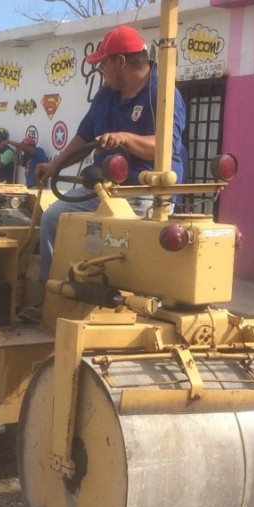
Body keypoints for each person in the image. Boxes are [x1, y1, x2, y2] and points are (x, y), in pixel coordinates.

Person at [21, 24, 187, 323]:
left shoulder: (162, 94)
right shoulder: (106, 95)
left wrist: (125, 138)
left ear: (120, 62)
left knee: (118, 243)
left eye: (103, 65)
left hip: (143, 193)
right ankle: (51, 301)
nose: (100, 71)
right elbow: (84, 137)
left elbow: (165, 147)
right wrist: (55, 166)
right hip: (102, 187)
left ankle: (131, 310)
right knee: (53, 219)